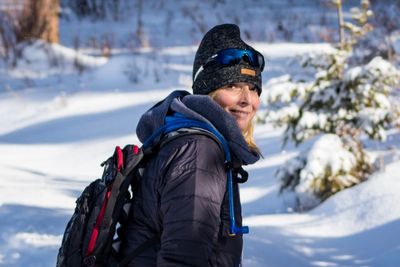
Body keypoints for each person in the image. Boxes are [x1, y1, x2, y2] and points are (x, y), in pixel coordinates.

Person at [120, 23, 264, 266]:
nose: (246, 100)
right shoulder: (198, 151)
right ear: (207, 92)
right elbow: (183, 258)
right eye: (232, 86)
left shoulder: (191, 139)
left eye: (253, 89)